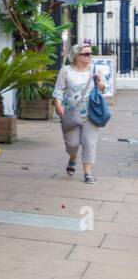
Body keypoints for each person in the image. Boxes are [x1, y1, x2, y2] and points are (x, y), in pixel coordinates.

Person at [51, 44, 105, 184]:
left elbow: (103, 89)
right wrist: (57, 104)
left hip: (90, 113)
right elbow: (58, 90)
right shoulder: (65, 71)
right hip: (70, 113)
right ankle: (73, 156)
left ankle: (88, 173)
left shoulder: (94, 70)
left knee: (89, 143)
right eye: (86, 54)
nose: (90, 56)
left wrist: (99, 83)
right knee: (72, 144)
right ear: (76, 56)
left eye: (90, 54)